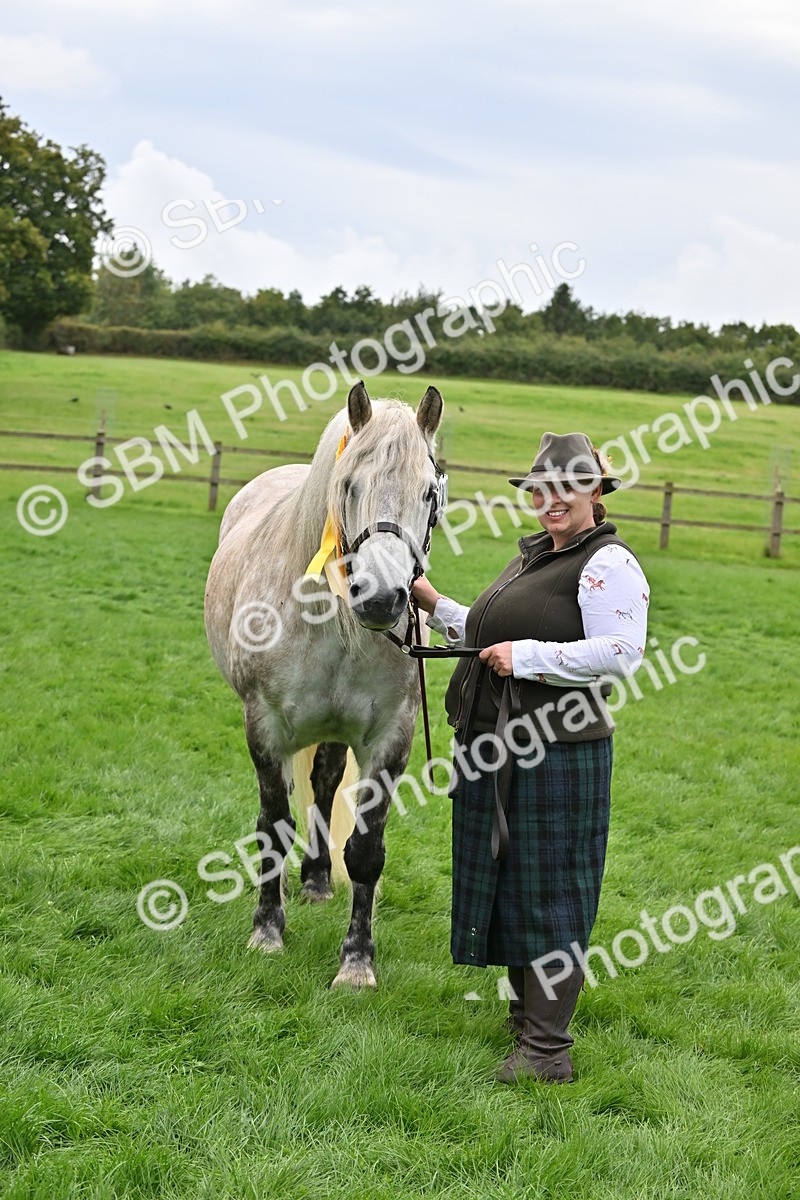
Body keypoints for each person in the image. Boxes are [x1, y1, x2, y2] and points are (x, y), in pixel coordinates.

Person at [412, 431, 649, 1084]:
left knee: (551, 895)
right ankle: (527, 1029)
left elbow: (623, 653)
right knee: (516, 887)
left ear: (595, 493)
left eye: (566, 489)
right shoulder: (539, 557)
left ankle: (547, 1052)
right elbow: (492, 636)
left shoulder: (606, 563)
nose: (550, 500)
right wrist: (432, 605)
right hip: (502, 749)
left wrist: (531, 658)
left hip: (555, 754)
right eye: (540, 489)